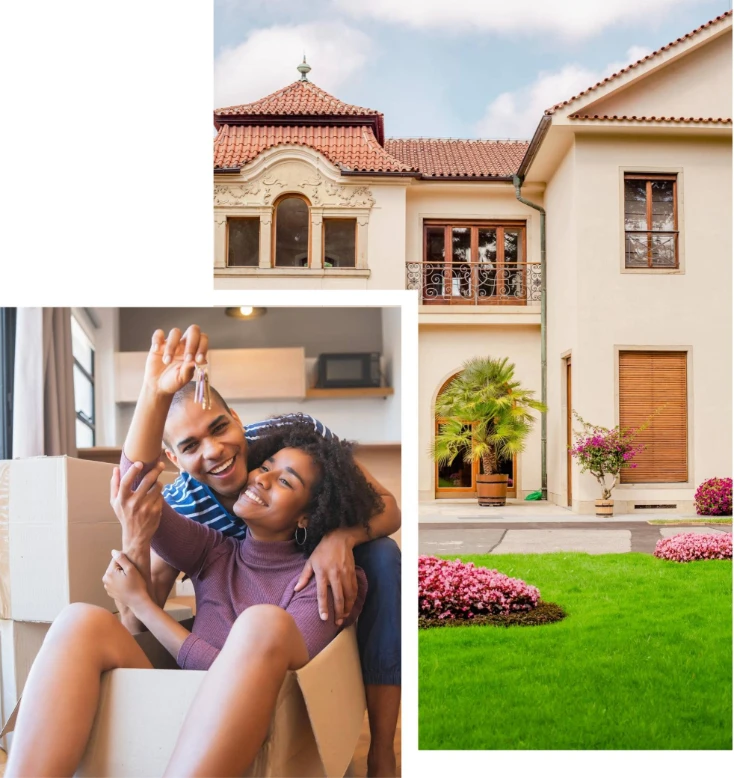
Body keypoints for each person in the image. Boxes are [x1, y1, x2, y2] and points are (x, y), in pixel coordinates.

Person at [5, 345, 382, 778]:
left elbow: (247, 679)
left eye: (284, 481)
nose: (260, 477)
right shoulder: (214, 551)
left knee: (263, 624)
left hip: (252, 730)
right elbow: (136, 482)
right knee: (80, 621)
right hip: (175, 710)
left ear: (308, 515)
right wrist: (154, 392)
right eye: (268, 466)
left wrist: (145, 605)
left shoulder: (328, 581)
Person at [120, 326, 401, 777]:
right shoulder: (188, 510)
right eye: (190, 446)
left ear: (236, 416)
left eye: (219, 428)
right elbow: (137, 616)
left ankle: (383, 750)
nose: (215, 452)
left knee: (384, 556)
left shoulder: (292, 440)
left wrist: (339, 539)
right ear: (174, 460)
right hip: (235, 602)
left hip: (303, 592)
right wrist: (134, 537)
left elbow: (387, 507)